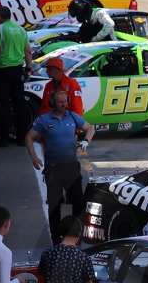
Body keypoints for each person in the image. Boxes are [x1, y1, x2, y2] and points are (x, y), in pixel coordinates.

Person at [25, 89, 95, 244]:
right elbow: (29, 137)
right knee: (55, 205)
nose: (64, 105)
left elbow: (90, 128)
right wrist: (34, 157)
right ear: (53, 103)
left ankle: (75, 233)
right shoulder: (44, 120)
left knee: (78, 201)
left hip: (71, 166)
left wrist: (85, 141)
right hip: (53, 168)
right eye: (60, 102)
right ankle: (56, 238)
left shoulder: (72, 116)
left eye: (65, 101)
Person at [0, 5, 32, 148]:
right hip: (18, 71)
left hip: (2, 72)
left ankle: (2, 140)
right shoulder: (22, 30)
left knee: (2, 106)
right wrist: (28, 69)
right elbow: (28, 51)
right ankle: (22, 138)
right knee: (19, 106)